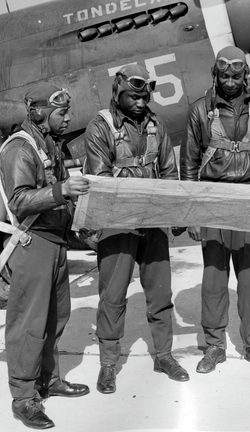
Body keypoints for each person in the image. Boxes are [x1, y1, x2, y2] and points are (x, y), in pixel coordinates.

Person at [83, 64, 189, 394]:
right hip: (117, 223)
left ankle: (164, 355)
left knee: (160, 294)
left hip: (153, 222)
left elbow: (169, 173)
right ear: (118, 94)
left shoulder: (157, 126)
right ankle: (108, 365)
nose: (143, 102)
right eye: (135, 96)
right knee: (112, 298)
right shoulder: (100, 126)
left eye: (146, 96)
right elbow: (100, 178)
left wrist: (175, 211)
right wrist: (143, 187)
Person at [181, 46, 250, 374]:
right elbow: (189, 165)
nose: (229, 81)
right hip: (212, 201)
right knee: (214, 278)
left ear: (244, 75)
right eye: (223, 74)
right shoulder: (199, 111)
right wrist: (192, 212)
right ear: (215, 73)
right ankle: (213, 345)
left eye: (235, 75)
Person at [0, 83, 92, 429]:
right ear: (38, 113)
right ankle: (24, 398)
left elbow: (61, 192)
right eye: (61, 113)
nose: (68, 118)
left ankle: (48, 381)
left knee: (57, 315)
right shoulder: (19, 150)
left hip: (55, 241)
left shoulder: (49, 144)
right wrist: (62, 190)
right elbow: (20, 200)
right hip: (32, 242)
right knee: (29, 323)